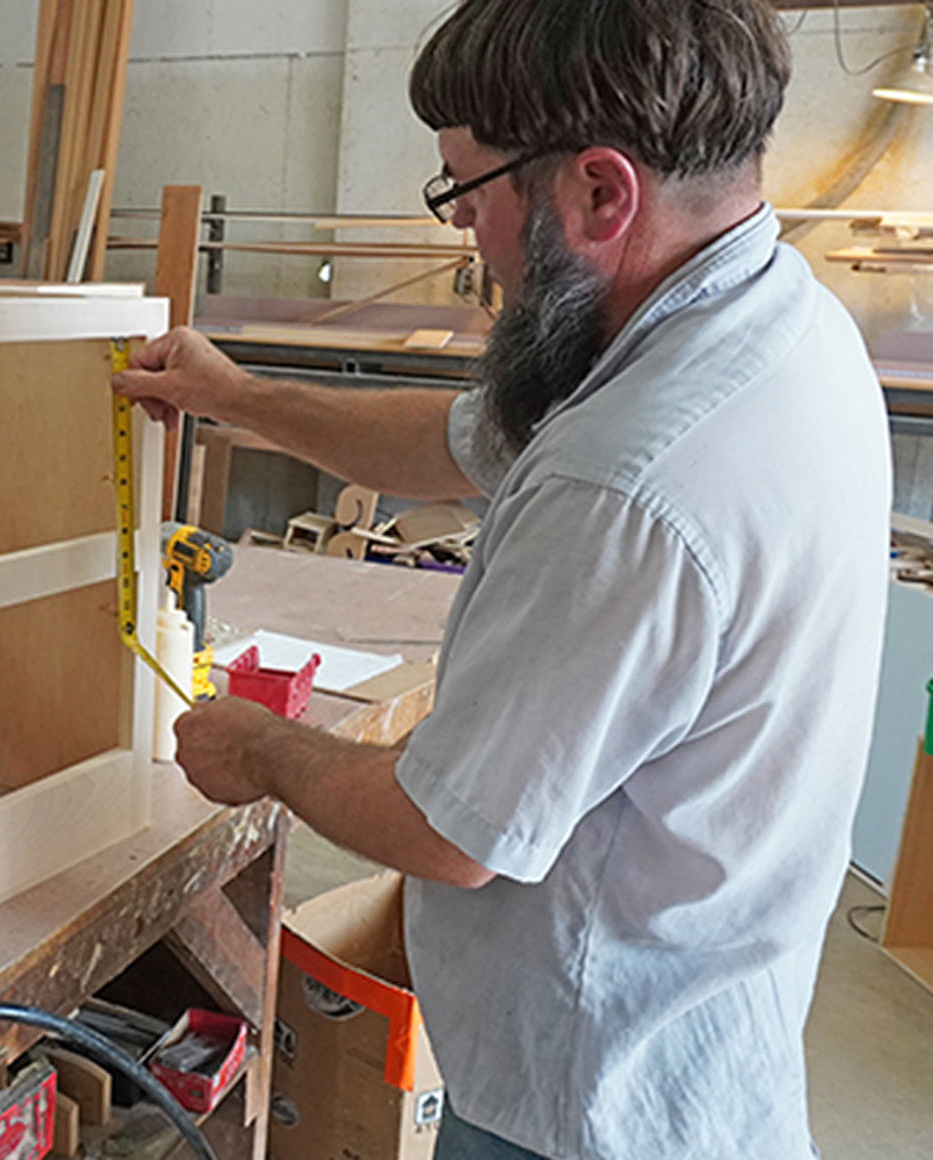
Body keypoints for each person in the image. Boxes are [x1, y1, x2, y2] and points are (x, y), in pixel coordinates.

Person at [111, 2, 892, 1158]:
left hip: (587, 1103)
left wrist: (264, 749)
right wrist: (237, 396)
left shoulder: (630, 478)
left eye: (467, 194)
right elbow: (459, 439)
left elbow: (452, 823)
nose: (467, 236)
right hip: (705, 1045)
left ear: (598, 194)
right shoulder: (778, 323)